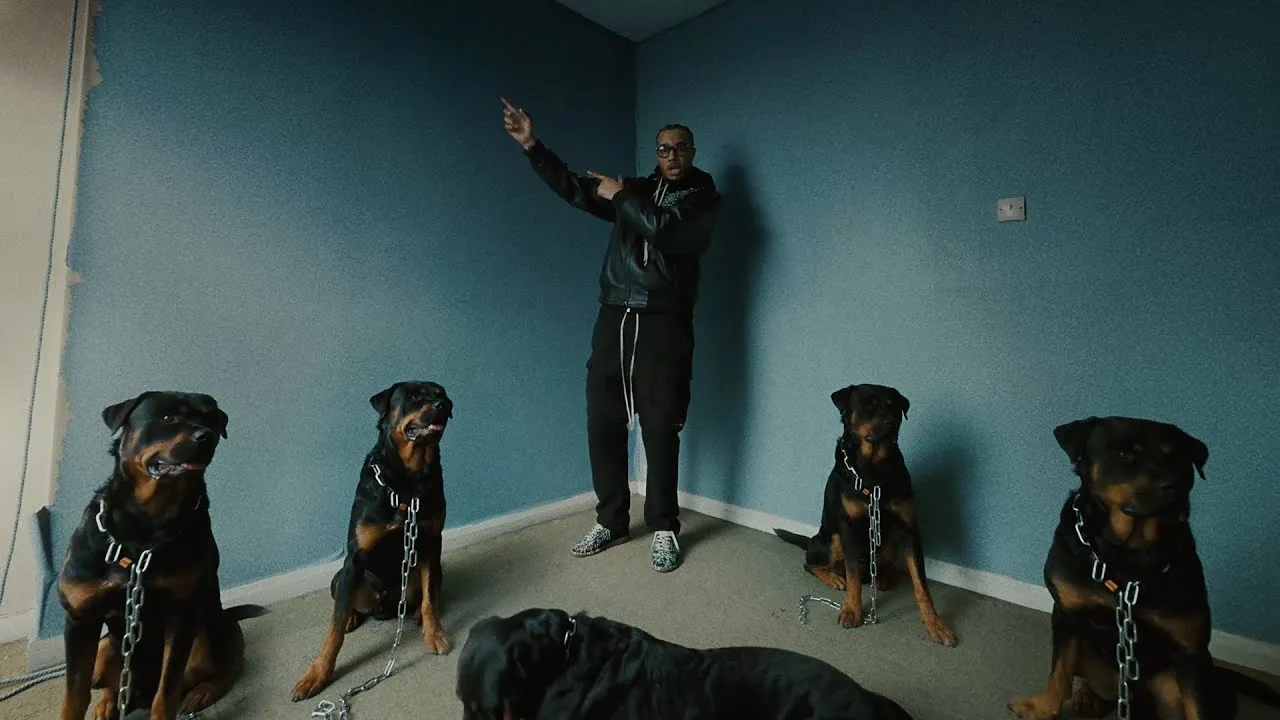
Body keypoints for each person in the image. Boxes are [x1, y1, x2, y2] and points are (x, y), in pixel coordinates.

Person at [502, 97, 721, 572]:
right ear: (657, 154)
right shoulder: (636, 189)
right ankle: (611, 520)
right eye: (664, 149)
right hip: (614, 315)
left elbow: (666, 232)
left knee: (659, 426)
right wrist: (533, 146)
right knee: (602, 420)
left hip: (663, 320)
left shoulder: (704, 198)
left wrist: (622, 197)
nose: (672, 156)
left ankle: (663, 526)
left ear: (693, 151)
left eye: (680, 148)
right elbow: (575, 190)